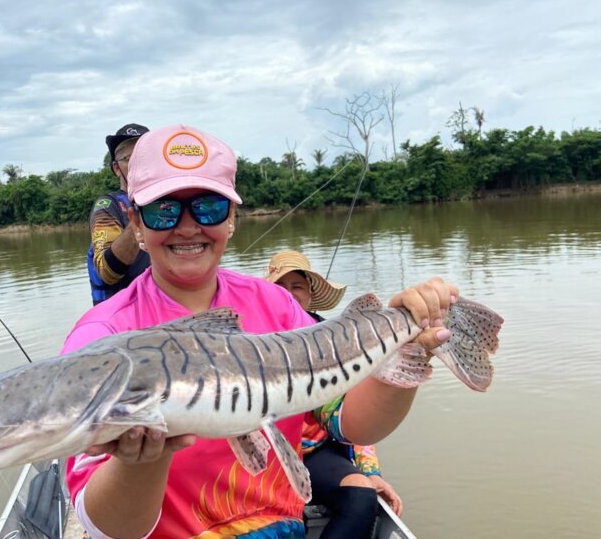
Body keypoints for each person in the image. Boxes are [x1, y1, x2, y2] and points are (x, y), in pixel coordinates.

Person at [61, 123, 458, 539]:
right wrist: (140, 459)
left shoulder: (277, 305)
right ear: (135, 222)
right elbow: (107, 528)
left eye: (208, 207)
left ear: (231, 216)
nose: (188, 226)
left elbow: (350, 423)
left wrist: (407, 355)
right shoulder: (102, 334)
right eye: (164, 209)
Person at [266, 250, 403, 538]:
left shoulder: (335, 340)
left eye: (297, 286)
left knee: (361, 495)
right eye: (279, 287)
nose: (289, 294)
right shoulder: (254, 339)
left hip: (315, 452)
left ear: (310, 293)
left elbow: (348, 410)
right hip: (267, 454)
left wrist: (371, 472)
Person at [87, 123, 152, 305]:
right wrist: (144, 212)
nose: (140, 164)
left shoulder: (171, 200)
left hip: (163, 310)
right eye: (131, 158)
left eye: (146, 156)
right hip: (123, 317)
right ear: (116, 168)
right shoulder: (107, 206)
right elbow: (106, 272)